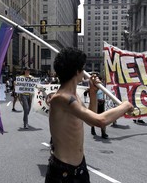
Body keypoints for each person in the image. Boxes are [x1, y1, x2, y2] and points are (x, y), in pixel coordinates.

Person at [45, 47, 134, 183]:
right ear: (77, 71)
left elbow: (90, 120)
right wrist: (125, 106)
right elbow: (100, 121)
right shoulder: (62, 98)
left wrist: (92, 93)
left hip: (80, 168)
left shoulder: (74, 96)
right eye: (83, 68)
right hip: (62, 173)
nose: (85, 73)